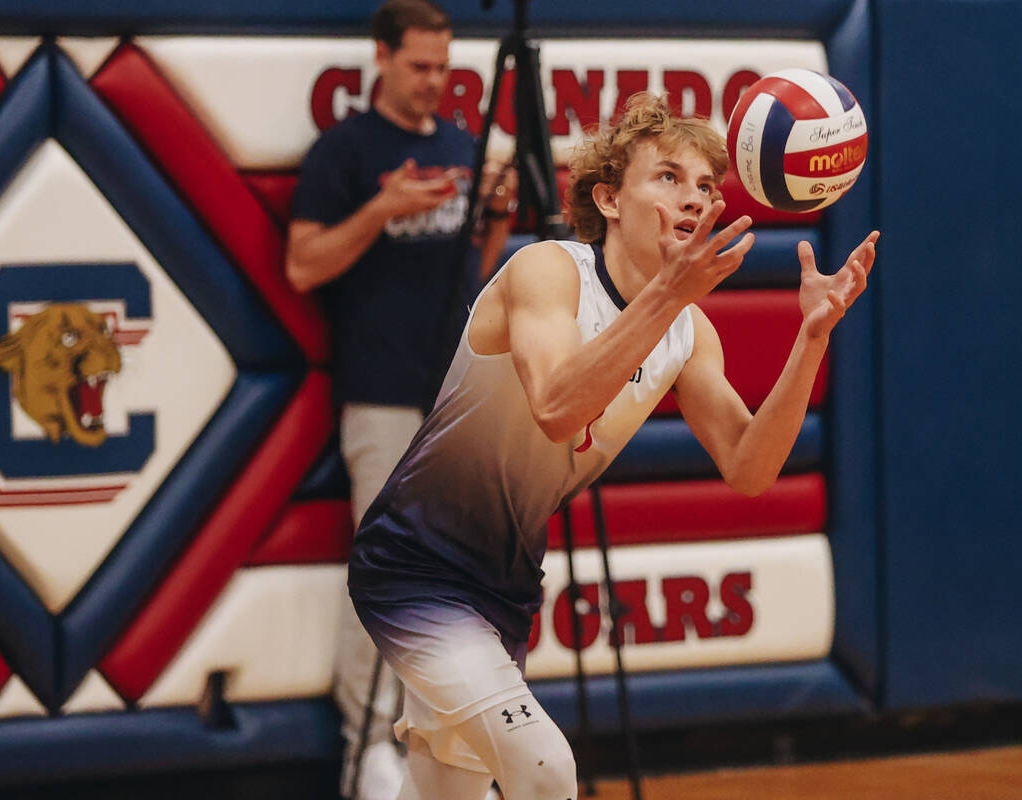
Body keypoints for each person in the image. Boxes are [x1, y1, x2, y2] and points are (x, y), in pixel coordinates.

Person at [346, 91, 879, 800]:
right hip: (414, 566)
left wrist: (811, 339)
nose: (692, 198)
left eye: (703, 185)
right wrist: (667, 295)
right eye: (667, 177)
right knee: (544, 769)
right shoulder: (549, 271)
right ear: (609, 199)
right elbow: (560, 407)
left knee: (444, 794)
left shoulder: (689, 332)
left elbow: (750, 468)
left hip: (501, 587)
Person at [285, 2, 514, 798]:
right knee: (384, 573)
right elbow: (303, 266)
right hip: (379, 389)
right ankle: (368, 747)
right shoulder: (346, 151)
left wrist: (495, 219)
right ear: (381, 57)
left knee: (457, 580)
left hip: (455, 392)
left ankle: (442, 754)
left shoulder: (460, 146)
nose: (433, 82)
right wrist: (384, 208)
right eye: (418, 66)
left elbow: (474, 280)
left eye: (443, 67)